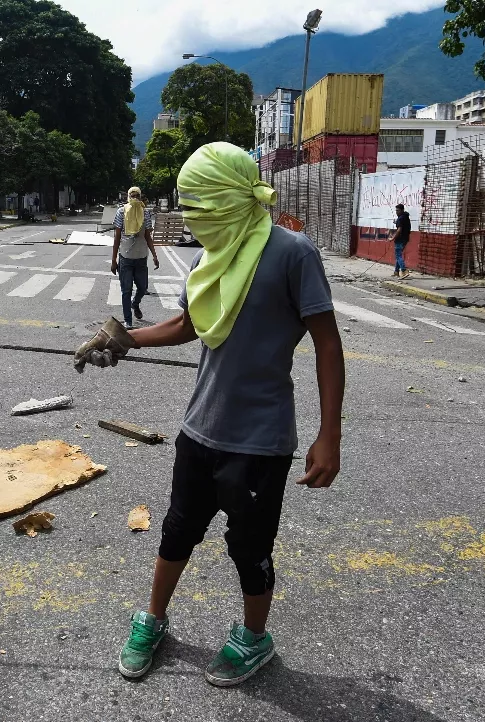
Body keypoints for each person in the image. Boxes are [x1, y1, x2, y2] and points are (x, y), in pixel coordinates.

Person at [75, 143, 344, 687]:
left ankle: (254, 639)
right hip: (199, 429)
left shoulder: (292, 252)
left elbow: (328, 344)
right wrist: (124, 339)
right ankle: (152, 619)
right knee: (177, 529)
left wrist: (329, 435)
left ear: (232, 196)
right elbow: (186, 326)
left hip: (260, 440)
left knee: (249, 548)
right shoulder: (208, 257)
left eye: (201, 201)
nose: (193, 214)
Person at [111, 186, 159, 329]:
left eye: (137, 196)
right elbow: (117, 237)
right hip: (125, 257)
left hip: (141, 257)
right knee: (126, 290)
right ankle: (128, 320)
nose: (134, 198)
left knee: (143, 287)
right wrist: (114, 260)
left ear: (140, 197)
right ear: (128, 197)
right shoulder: (121, 212)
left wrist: (155, 256)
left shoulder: (146, 213)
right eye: (132, 196)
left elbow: (148, 236)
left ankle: (135, 303)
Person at [387, 203, 411, 278]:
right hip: (405, 239)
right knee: (398, 255)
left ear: (402, 210)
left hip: (400, 239)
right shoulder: (406, 217)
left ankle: (404, 270)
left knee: (398, 255)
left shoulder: (400, 219)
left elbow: (399, 230)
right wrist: (396, 222)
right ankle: (396, 272)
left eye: (398, 210)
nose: (396, 212)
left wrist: (392, 238)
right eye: (396, 210)